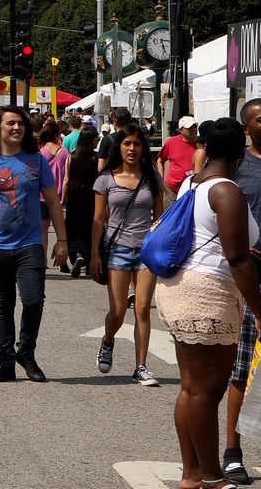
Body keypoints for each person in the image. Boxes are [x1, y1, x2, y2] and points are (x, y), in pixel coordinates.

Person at [158, 117, 261, 489]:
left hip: (178, 287)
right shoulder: (227, 191)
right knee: (207, 391)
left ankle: (192, 474)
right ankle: (210, 477)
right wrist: (260, 313)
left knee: (191, 388)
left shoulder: (193, 183)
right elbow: (238, 260)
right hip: (207, 295)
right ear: (241, 153)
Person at [0, 107, 70, 381]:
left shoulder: (36, 161)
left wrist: (62, 239)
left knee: (34, 300)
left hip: (30, 243)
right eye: (10, 123)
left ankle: (27, 352)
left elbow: (54, 202)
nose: (17, 128)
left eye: (21, 123)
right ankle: (6, 363)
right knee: (3, 304)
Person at [222, 98, 261, 486]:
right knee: (243, 372)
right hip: (255, 284)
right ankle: (233, 452)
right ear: (247, 128)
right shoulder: (239, 169)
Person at [92, 120, 165, 385]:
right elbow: (99, 219)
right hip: (117, 249)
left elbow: (159, 218)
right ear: (118, 146)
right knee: (119, 310)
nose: (132, 149)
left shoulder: (151, 178)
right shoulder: (105, 179)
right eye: (126, 144)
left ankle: (141, 366)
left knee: (143, 308)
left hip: (145, 249)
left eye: (136, 144)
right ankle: (108, 339)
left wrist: (160, 248)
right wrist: (94, 255)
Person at [65, 130, 102, 278]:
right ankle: (87, 261)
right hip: (91, 197)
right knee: (88, 229)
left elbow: (66, 180)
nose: (97, 141)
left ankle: (76, 254)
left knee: (73, 229)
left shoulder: (72, 157)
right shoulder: (95, 158)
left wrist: (63, 199)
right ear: (89, 141)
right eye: (96, 139)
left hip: (74, 197)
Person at [163, 115, 203, 192]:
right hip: (173, 190)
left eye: (195, 126)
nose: (194, 130)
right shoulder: (171, 142)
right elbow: (160, 160)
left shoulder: (201, 144)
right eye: (190, 128)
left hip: (193, 189)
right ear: (181, 130)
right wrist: (161, 179)